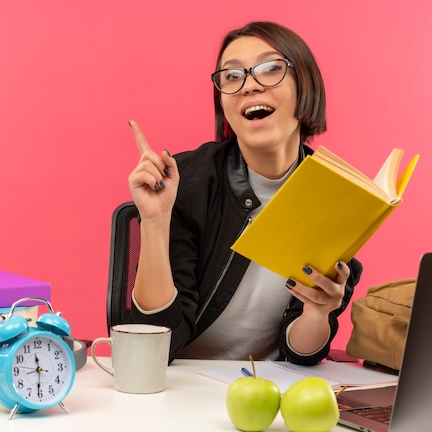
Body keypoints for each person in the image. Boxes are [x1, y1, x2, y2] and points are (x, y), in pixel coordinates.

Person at [127, 21, 362, 366]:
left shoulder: (336, 195)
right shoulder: (188, 182)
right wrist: (155, 220)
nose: (250, 85)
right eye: (232, 76)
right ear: (223, 104)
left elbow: (299, 353)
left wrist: (317, 314)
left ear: (305, 87)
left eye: (270, 69)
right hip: (181, 386)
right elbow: (157, 342)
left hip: (269, 387)